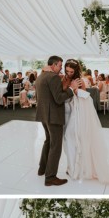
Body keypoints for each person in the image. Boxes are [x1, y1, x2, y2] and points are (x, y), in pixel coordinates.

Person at [61, 59, 109, 183]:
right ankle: (72, 166)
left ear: (75, 71)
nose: (69, 73)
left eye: (71, 71)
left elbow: (84, 95)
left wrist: (75, 89)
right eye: (67, 71)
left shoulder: (79, 81)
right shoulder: (64, 78)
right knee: (68, 140)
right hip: (66, 112)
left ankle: (75, 168)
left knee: (72, 138)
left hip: (76, 114)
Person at [35, 56, 79, 186]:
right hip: (53, 116)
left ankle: (42, 169)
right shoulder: (53, 77)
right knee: (56, 146)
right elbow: (59, 98)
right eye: (60, 66)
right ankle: (50, 177)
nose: (61, 69)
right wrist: (71, 89)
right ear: (53, 65)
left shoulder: (41, 76)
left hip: (43, 114)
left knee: (48, 141)